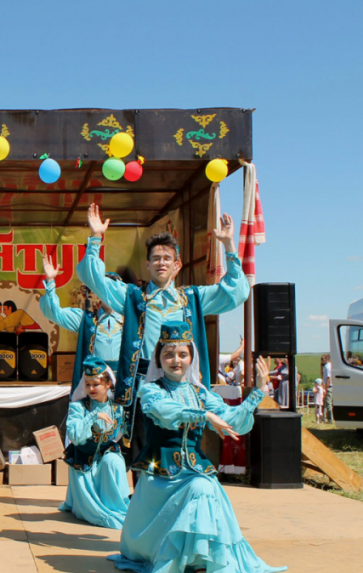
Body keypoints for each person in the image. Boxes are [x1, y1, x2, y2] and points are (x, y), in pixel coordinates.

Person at [108, 321, 285, 573]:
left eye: (182, 354)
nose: (175, 360)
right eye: (168, 354)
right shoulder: (151, 391)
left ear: (191, 357)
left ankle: (200, 566)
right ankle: (173, 559)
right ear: (159, 359)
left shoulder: (201, 393)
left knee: (203, 487)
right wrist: (204, 415)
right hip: (160, 477)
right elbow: (167, 413)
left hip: (193, 471)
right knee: (201, 489)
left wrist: (257, 392)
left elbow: (232, 421)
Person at [77, 204, 250, 462]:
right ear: (147, 264)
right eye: (156, 258)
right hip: (143, 380)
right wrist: (95, 238)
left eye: (167, 258)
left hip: (182, 382)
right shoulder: (133, 296)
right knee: (142, 447)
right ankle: (143, 499)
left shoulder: (191, 297)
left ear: (177, 265)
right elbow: (93, 278)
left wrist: (229, 247)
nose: (161, 263)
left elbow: (236, 292)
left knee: (181, 443)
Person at [60, 356, 130, 529]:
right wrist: (92, 417)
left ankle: (115, 505)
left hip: (104, 456)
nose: (91, 388)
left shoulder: (117, 407)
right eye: (87, 384)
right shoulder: (79, 407)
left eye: (96, 384)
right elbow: (75, 437)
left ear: (108, 385)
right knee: (90, 512)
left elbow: (124, 431)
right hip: (83, 460)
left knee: (113, 461)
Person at [41, 255, 123, 391]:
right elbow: (55, 313)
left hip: (124, 379)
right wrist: (50, 282)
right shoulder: (87, 319)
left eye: (113, 289)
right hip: (95, 382)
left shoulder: (131, 320)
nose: (109, 294)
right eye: (104, 289)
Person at [321, 354, 334, 424]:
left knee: (328, 403)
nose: (321, 360)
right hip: (326, 386)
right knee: (325, 403)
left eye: (322, 358)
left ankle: (330, 419)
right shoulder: (326, 366)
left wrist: (325, 388)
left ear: (326, 359)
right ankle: (324, 418)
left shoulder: (328, 367)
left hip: (328, 387)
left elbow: (328, 379)